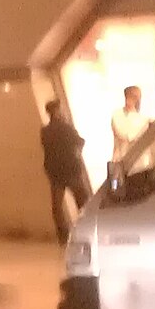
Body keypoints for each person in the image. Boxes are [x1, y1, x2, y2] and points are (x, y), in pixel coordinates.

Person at [41, 99, 93, 243]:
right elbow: (80, 142)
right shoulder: (66, 128)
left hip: (55, 172)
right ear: (57, 111)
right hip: (71, 170)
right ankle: (86, 230)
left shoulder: (45, 131)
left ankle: (63, 236)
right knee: (83, 202)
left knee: (57, 207)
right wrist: (76, 154)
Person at [112, 85, 151, 170]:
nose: (132, 99)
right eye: (130, 96)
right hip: (120, 163)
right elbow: (125, 134)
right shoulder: (117, 115)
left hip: (138, 166)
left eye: (135, 97)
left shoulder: (142, 119)